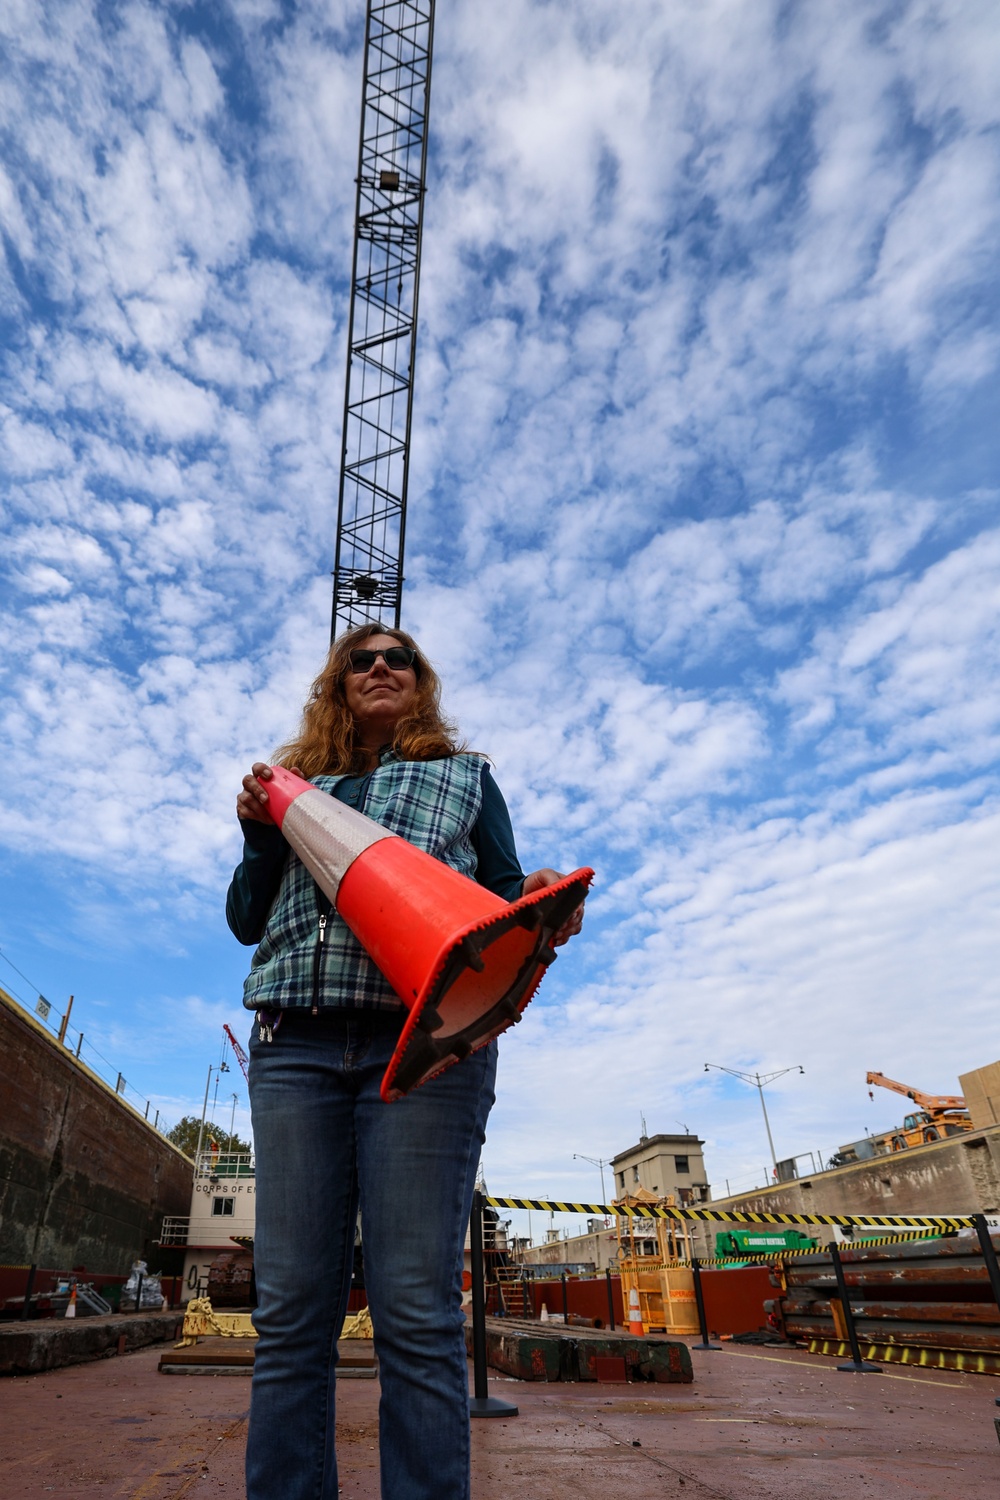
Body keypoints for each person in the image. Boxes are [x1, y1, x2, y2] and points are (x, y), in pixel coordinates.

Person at [227, 623, 584, 1500]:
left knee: (418, 1316)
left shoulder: (466, 777)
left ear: (420, 683)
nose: (381, 667)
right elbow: (245, 920)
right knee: (290, 1320)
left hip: (423, 1047)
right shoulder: (298, 793)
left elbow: (499, 897)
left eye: (399, 659)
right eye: (362, 660)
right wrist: (260, 835)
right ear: (337, 685)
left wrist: (536, 902)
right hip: (295, 1043)